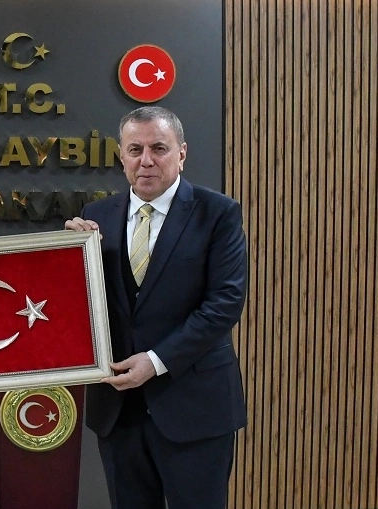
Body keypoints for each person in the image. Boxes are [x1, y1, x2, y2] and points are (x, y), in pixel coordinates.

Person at [65, 106, 247, 509]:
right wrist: (68, 254)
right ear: (122, 156)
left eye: (158, 148)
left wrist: (156, 360)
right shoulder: (95, 217)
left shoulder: (218, 213)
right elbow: (77, 305)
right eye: (135, 150)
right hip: (118, 413)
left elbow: (225, 303)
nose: (146, 160)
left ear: (181, 153)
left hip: (195, 408)